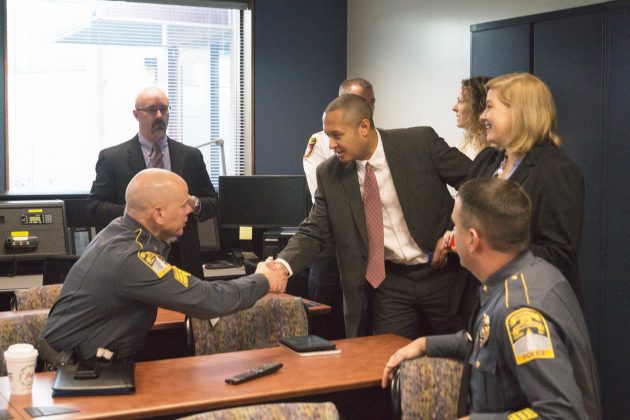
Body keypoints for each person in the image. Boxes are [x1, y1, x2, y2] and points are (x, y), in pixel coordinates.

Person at [382, 178, 601, 419]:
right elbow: (487, 342)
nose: (451, 234)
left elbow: (560, 415)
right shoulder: (528, 274)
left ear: (473, 240)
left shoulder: (520, 312)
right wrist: (423, 344)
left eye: (455, 226)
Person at [39, 169, 287, 366]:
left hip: (91, 358)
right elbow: (208, 300)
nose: (190, 210)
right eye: (183, 205)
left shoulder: (123, 230)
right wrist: (263, 278)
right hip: (70, 369)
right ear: (158, 214)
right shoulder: (130, 257)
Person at [273, 94, 472, 340]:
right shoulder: (330, 174)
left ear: (364, 127)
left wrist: (454, 234)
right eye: (328, 137)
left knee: (461, 354)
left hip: (443, 275)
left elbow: (477, 184)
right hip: (391, 285)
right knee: (386, 364)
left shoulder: (419, 143)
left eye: (337, 135)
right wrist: (282, 266)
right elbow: (313, 230)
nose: (331, 145)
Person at [464, 72, 584, 300]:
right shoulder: (486, 161)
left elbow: (559, 253)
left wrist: (490, 248)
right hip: (481, 301)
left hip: (529, 303)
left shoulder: (556, 171)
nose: (482, 116)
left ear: (520, 113)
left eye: (490, 107)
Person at [87, 86, 217, 279]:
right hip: (133, 257)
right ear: (136, 114)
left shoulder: (191, 156)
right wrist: (139, 213)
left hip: (183, 260)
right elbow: (94, 209)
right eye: (151, 110)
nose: (159, 115)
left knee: (189, 310)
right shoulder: (113, 158)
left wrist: (195, 204)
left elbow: (213, 203)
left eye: (164, 109)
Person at [303, 77, 375, 339]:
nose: (366, 108)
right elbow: (325, 201)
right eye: (358, 102)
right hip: (332, 245)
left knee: (364, 325)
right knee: (328, 325)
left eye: (369, 103)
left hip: (367, 246)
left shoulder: (374, 141)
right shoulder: (321, 143)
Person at [452, 76, 491, 159]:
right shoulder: (462, 145)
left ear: (477, 107)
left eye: (460, 101)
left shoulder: (495, 148)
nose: (454, 108)